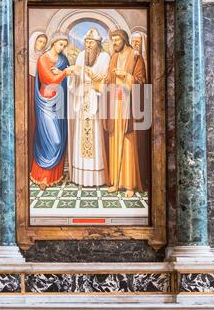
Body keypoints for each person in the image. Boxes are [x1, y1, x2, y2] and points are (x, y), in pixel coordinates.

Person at [30, 32, 78, 190]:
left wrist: (66, 73)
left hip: (60, 103)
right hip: (46, 103)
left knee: (60, 138)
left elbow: (69, 79)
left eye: (64, 45)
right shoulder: (43, 59)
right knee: (50, 139)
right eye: (60, 44)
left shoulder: (63, 60)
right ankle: (42, 176)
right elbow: (49, 80)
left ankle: (54, 176)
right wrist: (65, 73)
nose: (62, 48)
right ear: (54, 42)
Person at [103, 29, 146, 198]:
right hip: (115, 103)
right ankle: (116, 182)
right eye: (112, 40)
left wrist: (126, 76)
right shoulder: (114, 57)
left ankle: (130, 184)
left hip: (128, 106)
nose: (114, 43)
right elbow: (109, 79)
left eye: (116, 40)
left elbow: (141, 80)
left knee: (127, 143)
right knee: (114, 142)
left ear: (124, 40)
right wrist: (101, 79)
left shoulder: (136, 56)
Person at [68, 27, 110, 186]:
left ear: (98, 43)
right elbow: (75, 77)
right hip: (82, 96)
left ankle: (97, 176)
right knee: (82, 135)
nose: (88, 44)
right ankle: (80, 175)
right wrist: (73, 76)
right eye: (86, 41)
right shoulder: (80, 56)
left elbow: (105, 79)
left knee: (95, 134)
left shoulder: (105, 57)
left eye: (91, 42)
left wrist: (98, 79)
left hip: (95, 98)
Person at [28, 32, 48, 171]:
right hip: (29, 93)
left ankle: (37, 163)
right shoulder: (26, 59)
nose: (41, 45)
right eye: (39, 41)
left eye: (43, 43)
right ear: (33, 42)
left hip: (40, 95)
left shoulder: (43, 59)